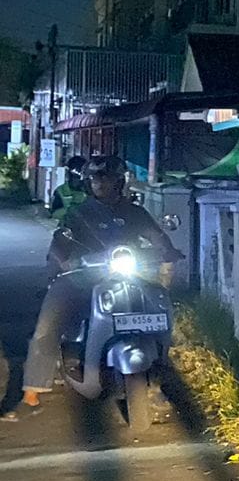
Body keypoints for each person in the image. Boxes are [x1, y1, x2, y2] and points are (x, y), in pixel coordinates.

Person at [22, 155, 181, 406]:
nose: (99, 183)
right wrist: (65, 260)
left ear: (119, 181)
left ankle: (158, 372)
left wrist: (167, 252)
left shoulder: (135, 212)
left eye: (105, 178)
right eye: (95, 178)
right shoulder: (79, 213)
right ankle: (35, 381)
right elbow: (61, 240)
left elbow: (156, 235)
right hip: (85, 276)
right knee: (51, 316)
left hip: (131, 275)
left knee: (159, 308)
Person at [48, 154, 87, 222]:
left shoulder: (90, 191)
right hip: (67, 228)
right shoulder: (60, 191)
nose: (76, 180)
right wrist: (72, 212)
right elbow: (54, 213)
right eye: (74, 177)